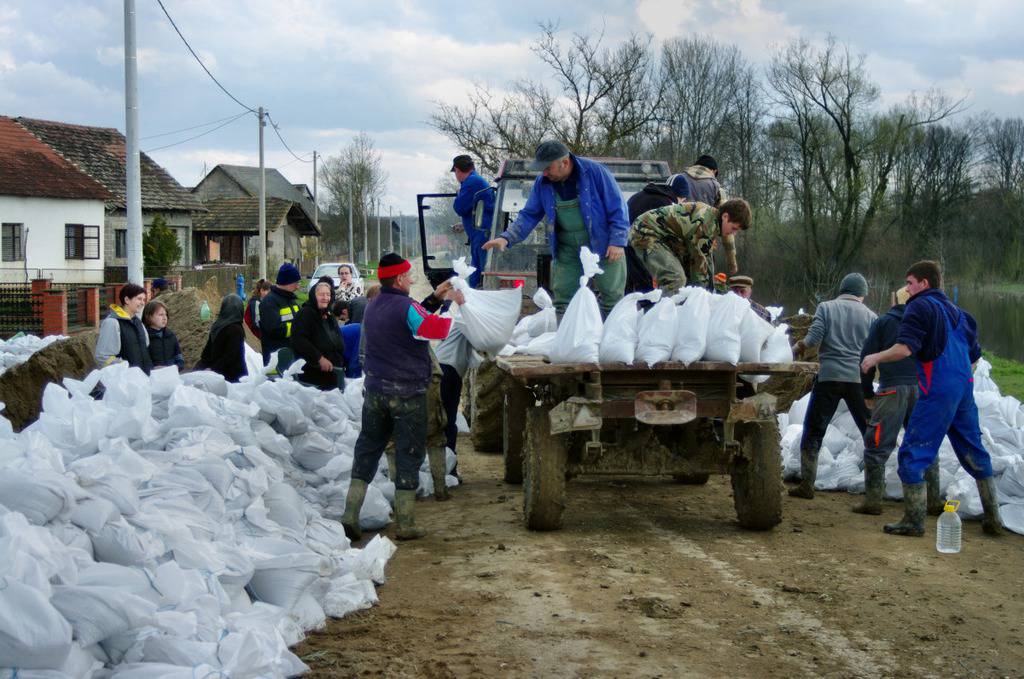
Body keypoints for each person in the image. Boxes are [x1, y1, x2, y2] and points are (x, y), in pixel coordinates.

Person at [861, 261, 1004, 536]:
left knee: (914, 450)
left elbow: (904, 349)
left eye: (910, 283)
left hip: (937, 387)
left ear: (924, 284)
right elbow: (975, 358)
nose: (907, 289)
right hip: (963, 388)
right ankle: (993, 518)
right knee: (974, 449)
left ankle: (913, 521)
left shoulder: (919, 306)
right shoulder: (962, 315)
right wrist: (959, 379)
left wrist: (874, 358)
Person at [341, 253, 463, 541]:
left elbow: (410, 319)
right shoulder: (405, 306)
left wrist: (435, 299)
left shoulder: (373, 306)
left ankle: (350, 514)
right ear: (398, 279)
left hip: (376, 393)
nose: (411, 280)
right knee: (409, 453)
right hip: (407, 394)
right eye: (409, 276)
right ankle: (406, 523)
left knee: (368, 449)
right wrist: (455, 306)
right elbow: (433, 328)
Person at [482, 140, 629, 315]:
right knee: (563, 298)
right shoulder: (542, 182)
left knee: (612, 296)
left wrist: (618, 241)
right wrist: (507, 237)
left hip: (604, 245)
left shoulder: (596, 173)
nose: (544, 173)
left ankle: (611, 339)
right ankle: (566, 338)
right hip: (567, 248)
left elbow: (618, 207)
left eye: (547, 168)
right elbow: (529, 214)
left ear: (565, 163)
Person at [854, 285, 942, 515]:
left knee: (876, 445)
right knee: (924, 443)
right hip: (921, 389)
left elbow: (867, 359)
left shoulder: (883, 322)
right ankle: (932, 501)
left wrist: (866, 393)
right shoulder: (928, 322)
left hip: (891, 390)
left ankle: (873, 501)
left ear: (896, 301)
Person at [789, 273, 876, 499]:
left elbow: (813, 339)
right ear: (862, 294)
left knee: (814, 429)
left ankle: (807, 484)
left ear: (842, 289)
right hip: (858, 380)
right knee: (869, 431)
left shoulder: (826, 308)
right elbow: (874, 350)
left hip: (828, 377)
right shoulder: (871, 316)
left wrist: (796, 348)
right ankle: (875, 490)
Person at [629, 199, 752, 295]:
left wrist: (714, 290)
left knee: (687, 280)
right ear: (725, 217)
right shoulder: (705, 225)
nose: (733, 233)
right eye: (734, 228)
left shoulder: (713, 222)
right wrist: (705, 297)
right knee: (675, 278)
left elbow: (706, 263)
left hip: (664, 237)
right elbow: (699, 269)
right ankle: (667, 321)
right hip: (646, 232)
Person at [676, 154, 738, 275]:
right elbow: (728, 227)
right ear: (714, 171)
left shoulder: (677, 179)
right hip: (702, 247)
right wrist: (732, 262)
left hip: (675, 243)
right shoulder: (717, 188)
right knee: (701, 290)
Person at [291, 276, 347, 390]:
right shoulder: (306, 314)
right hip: (314, 371)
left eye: (328, 294)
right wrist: (319, 358)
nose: (325, 298)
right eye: (321, 294)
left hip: (333, 370)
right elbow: (300, 340)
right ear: (313, 296)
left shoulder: (328, 314)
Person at [451, 154, 495, 289]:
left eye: (456, 172)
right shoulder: (476, 180)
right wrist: (464, 225)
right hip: (480, 233)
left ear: (457, 170)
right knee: (476, 273)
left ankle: (481, 301)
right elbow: (476, 210)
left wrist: (458, 193)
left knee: (481, 274)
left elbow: (460, 208)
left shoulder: (471, 182)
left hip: (482, 235)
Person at [95, 283, 152, 374]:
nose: (143, 303)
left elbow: (145, 348)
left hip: (143, 379)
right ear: (127, 300)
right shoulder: (112, 323)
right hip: (125, 382)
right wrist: (127, 370)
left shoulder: (138, 322)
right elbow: (103, 357)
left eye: (144, 299)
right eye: (139, 299)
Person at [259, 263, 302, 367]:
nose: (298, 286)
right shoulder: (269, 302)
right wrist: (299, 328)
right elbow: (274, 330)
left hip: (291, 357)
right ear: (287, 282)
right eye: (296, 282)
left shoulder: (292, 300)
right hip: (276, 361)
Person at [197, 294, 247, 382]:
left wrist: (203, 368)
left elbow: (206, 354)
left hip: (215, 374)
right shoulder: (236, 330)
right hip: (232, 377)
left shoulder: (217, 325)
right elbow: (230, 357)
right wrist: (212, 370)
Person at [143, 300, 184, 370]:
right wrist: (153, 368)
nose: (165, 318)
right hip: (153, 376)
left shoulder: (170, 335)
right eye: (160, 315)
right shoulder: (144, 337)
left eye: (166, 315)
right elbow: (143, 360)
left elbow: (179, 356)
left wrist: (177, 366)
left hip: (171, 374)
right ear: (148, 317)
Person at [333, 300, 363, 379]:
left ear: (344, 312)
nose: (343, 322)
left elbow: (355, 362)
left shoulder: (357, 315)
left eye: (342, 319)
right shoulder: (356, 305)